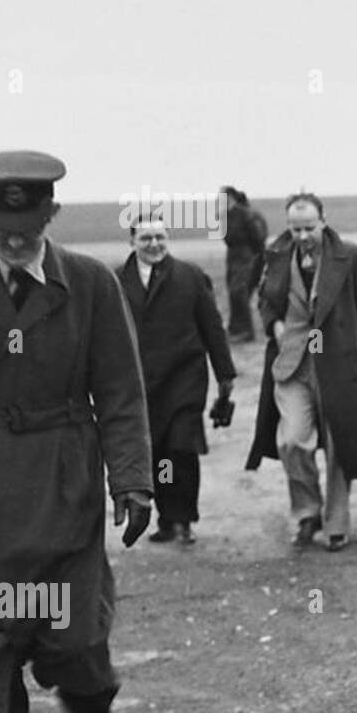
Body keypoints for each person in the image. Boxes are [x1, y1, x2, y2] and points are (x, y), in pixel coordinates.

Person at [0, 150, 153, 713]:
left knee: (75, 641)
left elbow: (119, 391)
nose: (16, 245)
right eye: (2, 234)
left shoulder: (88, 284)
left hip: (64, 488)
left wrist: (133, 482)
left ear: (50, 215)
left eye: (28, 232)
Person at [245, 192, 357, 551]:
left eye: (309, 227)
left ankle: (336, 523)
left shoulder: (351, 256)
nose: (302, 236)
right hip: (292, 364)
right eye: (295, 229)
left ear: (323, 222)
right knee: (292, 441)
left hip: (340, 367)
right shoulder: (276, 254)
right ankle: (306, 512)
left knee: (340, 445)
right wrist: (274, 325)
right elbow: (265, 297)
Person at [116, 215, 236, 545]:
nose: (154, 244)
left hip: (184, 381)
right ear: (132, 242)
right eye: (146, 238)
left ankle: (183, 519)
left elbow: (212, 327)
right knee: (158, 453)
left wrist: (225, 376)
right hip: (141, 385)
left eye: (160, 237)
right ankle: (167, 518)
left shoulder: (190, 276)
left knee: (180, 449)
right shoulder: (115, 281)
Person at [221, 185, 267, 343]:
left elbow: (258, 236)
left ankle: (246, 331)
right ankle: (235, 328)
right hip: (233, 256)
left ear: (230, 197)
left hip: (247, 256)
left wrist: (256, 257)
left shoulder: (246, 214)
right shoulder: (227, 215)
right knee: (233, 292)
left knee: (240, 292)